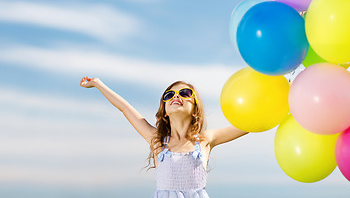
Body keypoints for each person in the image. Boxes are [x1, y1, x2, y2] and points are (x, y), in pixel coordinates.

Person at [80, 76, 248, 198]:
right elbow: (124, 107)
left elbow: (249, 125)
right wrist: (97, 84)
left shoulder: (205, 140)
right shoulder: (157, 140)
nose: (176, 96)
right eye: (169, 95)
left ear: (195, 107)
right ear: (165, 112)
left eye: (184, 92)